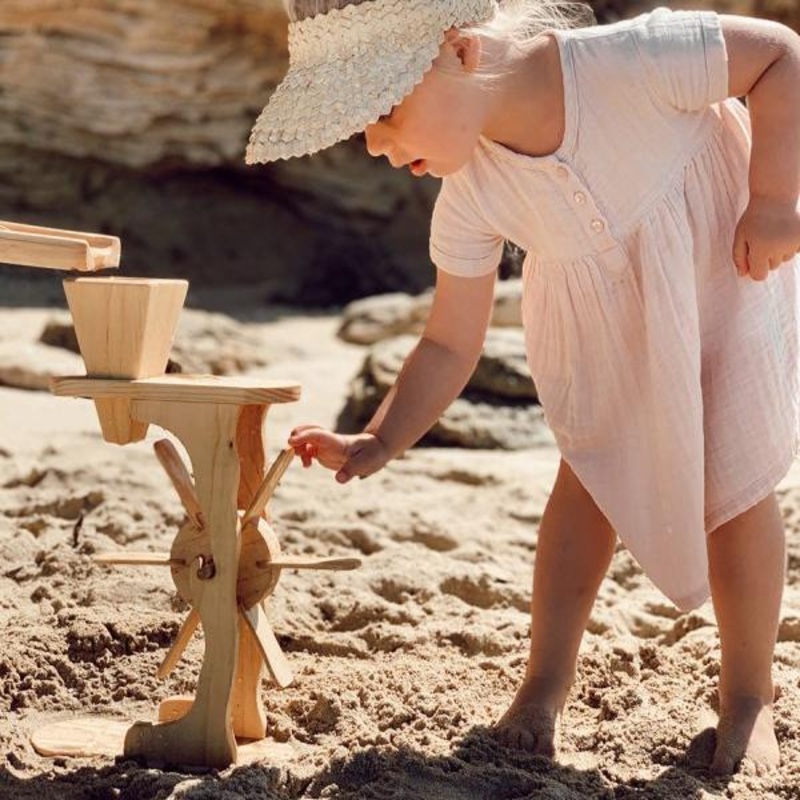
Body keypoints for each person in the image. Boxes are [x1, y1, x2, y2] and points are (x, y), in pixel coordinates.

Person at [245, 0, 800, 775]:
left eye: (384, 109)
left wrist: (775, 197)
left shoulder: (629, 61)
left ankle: (749, 697)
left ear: (460, 52)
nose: (373, 142)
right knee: (588, 477)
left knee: (737, 486)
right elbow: (448, 341)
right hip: (606, 330)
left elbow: (778, 54)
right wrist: (381, 437)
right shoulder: (473, 193)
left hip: (723, 278)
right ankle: (543, 684)